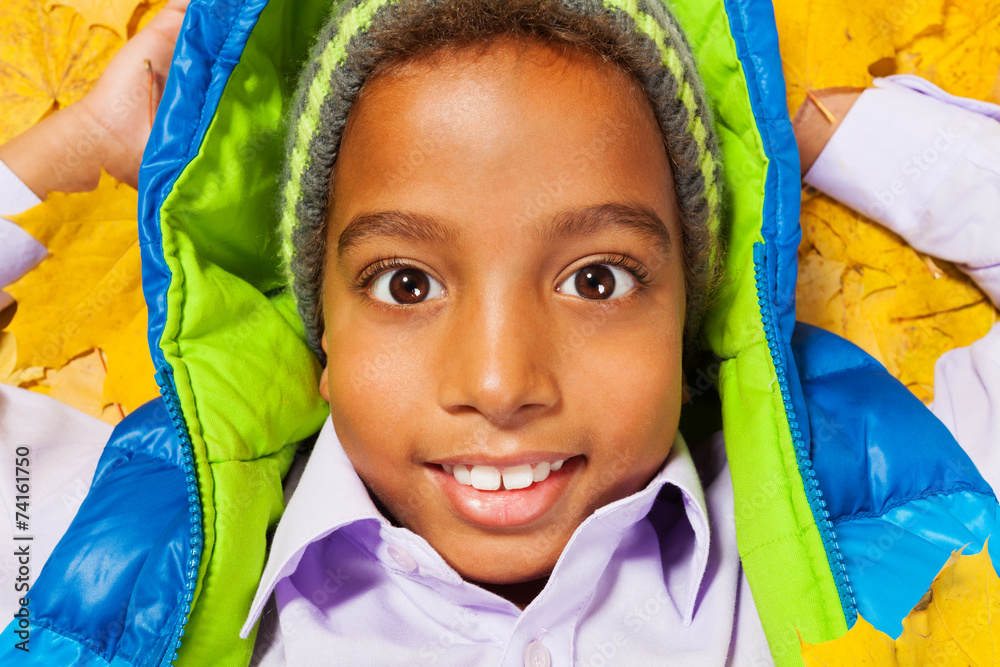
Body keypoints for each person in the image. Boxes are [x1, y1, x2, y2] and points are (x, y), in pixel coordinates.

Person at [0, 0, 998, 665]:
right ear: (318, 341)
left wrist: (803, 129)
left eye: (596, 279)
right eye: (404, 281)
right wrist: (76, 151)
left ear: (690, 313)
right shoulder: (79, 541)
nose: (499, 379)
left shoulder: (878, 512)